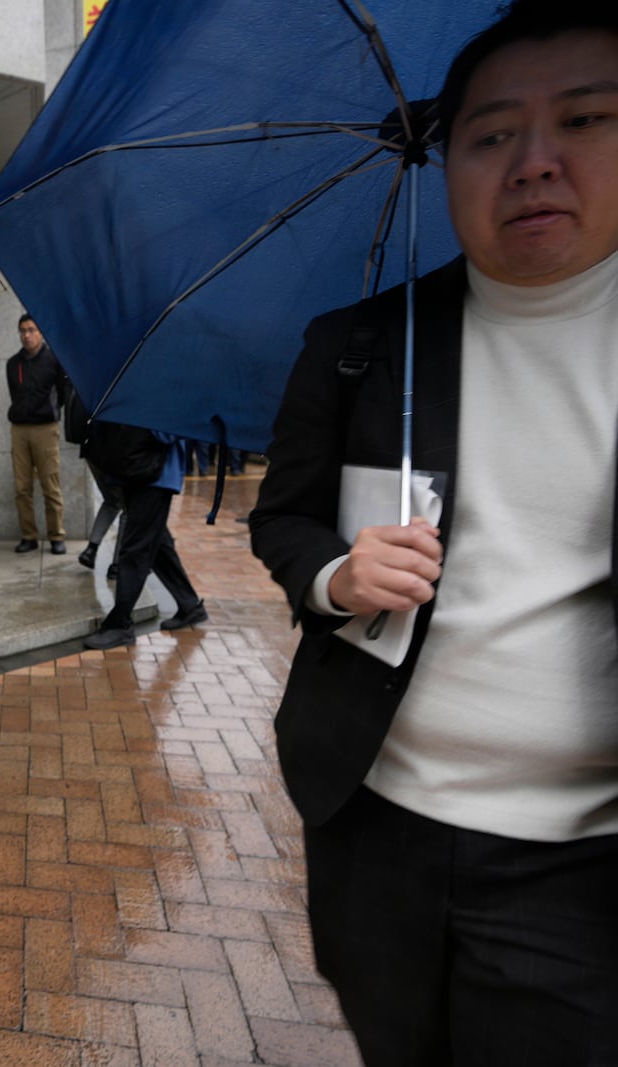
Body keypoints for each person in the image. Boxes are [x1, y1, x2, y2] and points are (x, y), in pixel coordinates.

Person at [249, 5, 618, 1063]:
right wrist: (334, 572)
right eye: (492, 134)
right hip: (371, 820)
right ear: (442, 162)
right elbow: (284, 517)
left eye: (583, 119)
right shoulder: (361, 346)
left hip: (579, 864)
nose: (534, 163)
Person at [80, 428, 206, 651]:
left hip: (155, 475)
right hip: (136, 470)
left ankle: (120, 624)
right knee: (156, 544)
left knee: (135, 548)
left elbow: (169, 431)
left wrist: (139, 426)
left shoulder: (171, 394)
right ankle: (189, 604)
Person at [6, 314, 69, 554]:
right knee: (22, 487)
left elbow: (62, 394)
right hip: (19, 430)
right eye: (22, 330)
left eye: (31, 330)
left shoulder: (54, 360)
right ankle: (29, 536)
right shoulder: (13, 364)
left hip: (45, 429)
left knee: (50, 484)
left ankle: (56, 536)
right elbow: (14, 394)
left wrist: (48, 412)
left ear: (41, 332)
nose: (26, 335)